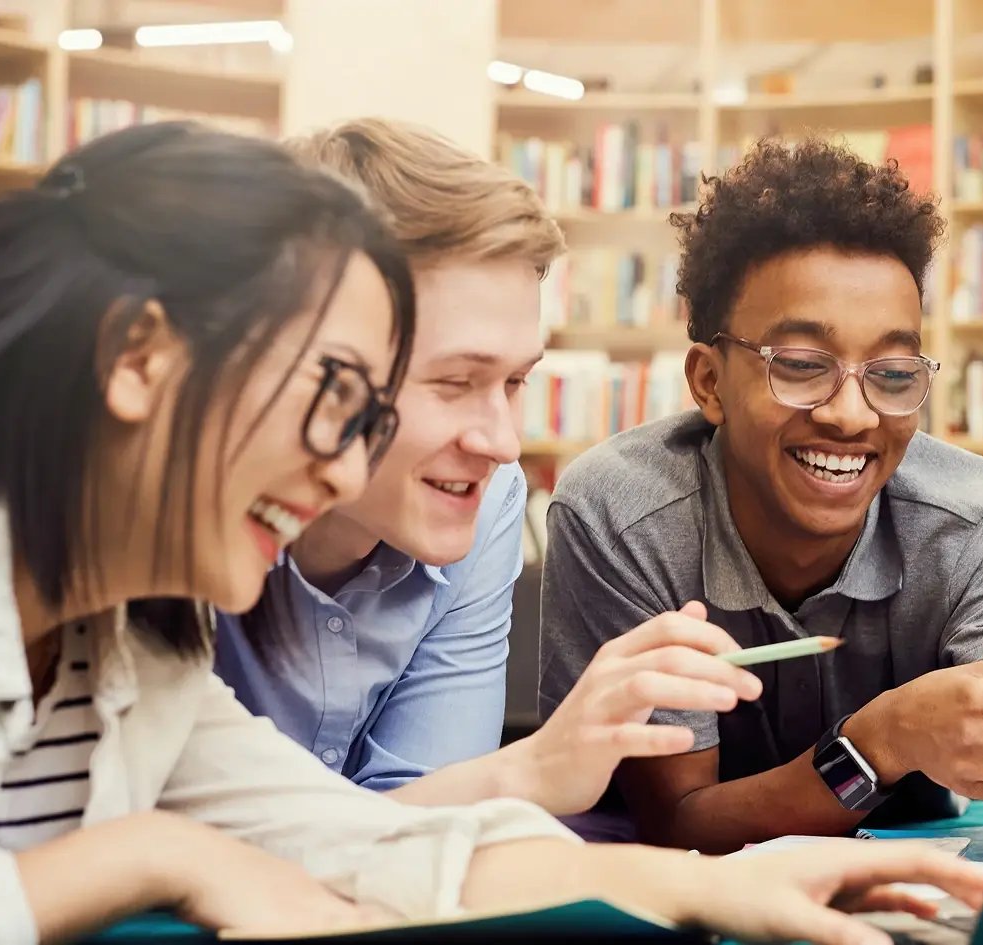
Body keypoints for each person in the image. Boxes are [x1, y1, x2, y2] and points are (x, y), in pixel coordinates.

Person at [0, 121, 983, 945]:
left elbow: (359, 839)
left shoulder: (138, 653)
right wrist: (155, 853)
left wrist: (716, 891)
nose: (342, 464)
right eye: (335, 392)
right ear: (138, 359)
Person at [216, 118, 762, 817]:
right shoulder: (182, 528)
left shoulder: (488, 497)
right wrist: (528, 771)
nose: (504, 444)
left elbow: (417, 829)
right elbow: (168, 840)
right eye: (453, 382)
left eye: (514, 382)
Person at [538, 137, 983, 854]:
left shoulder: (974, 516)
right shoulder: (621, 515)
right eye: (800, 364)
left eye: (892, 371)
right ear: (709, 382)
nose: (851, 415)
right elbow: (680, 823)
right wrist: (884, 737)